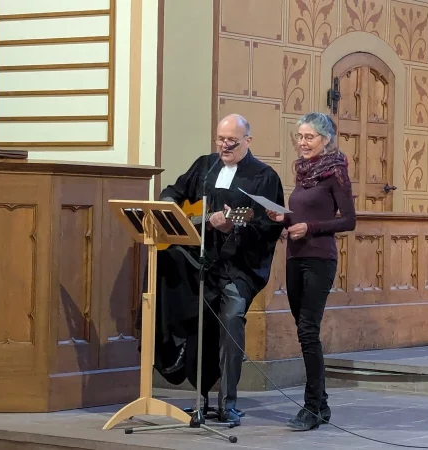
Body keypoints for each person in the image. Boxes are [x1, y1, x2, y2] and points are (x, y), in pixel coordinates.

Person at [151, 114, 285, 426]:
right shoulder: (206, 165)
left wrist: (231, 229)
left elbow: (268, 227)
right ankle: (201, 401)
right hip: (201, 265)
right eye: (220, 139)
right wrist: (171, 206)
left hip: (239, 268)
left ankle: (229, 403)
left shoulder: (264, 176)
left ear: (248, 141)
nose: (224, 146)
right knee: (200, 328)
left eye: (232, 142)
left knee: (231, 322)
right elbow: (173, 190)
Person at [267, 112, 356, 431]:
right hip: (294, 256)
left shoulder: (336, 172)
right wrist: (284, 220)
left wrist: (311, 227)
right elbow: (300, 216)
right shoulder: (303, 172)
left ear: (326, 139)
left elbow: (348, 220)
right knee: (304, 332)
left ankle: (312, 407)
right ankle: (321, 405)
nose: (303, 143)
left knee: (308, 331)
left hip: (319, 258)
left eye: (310, 137)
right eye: (300, 137)